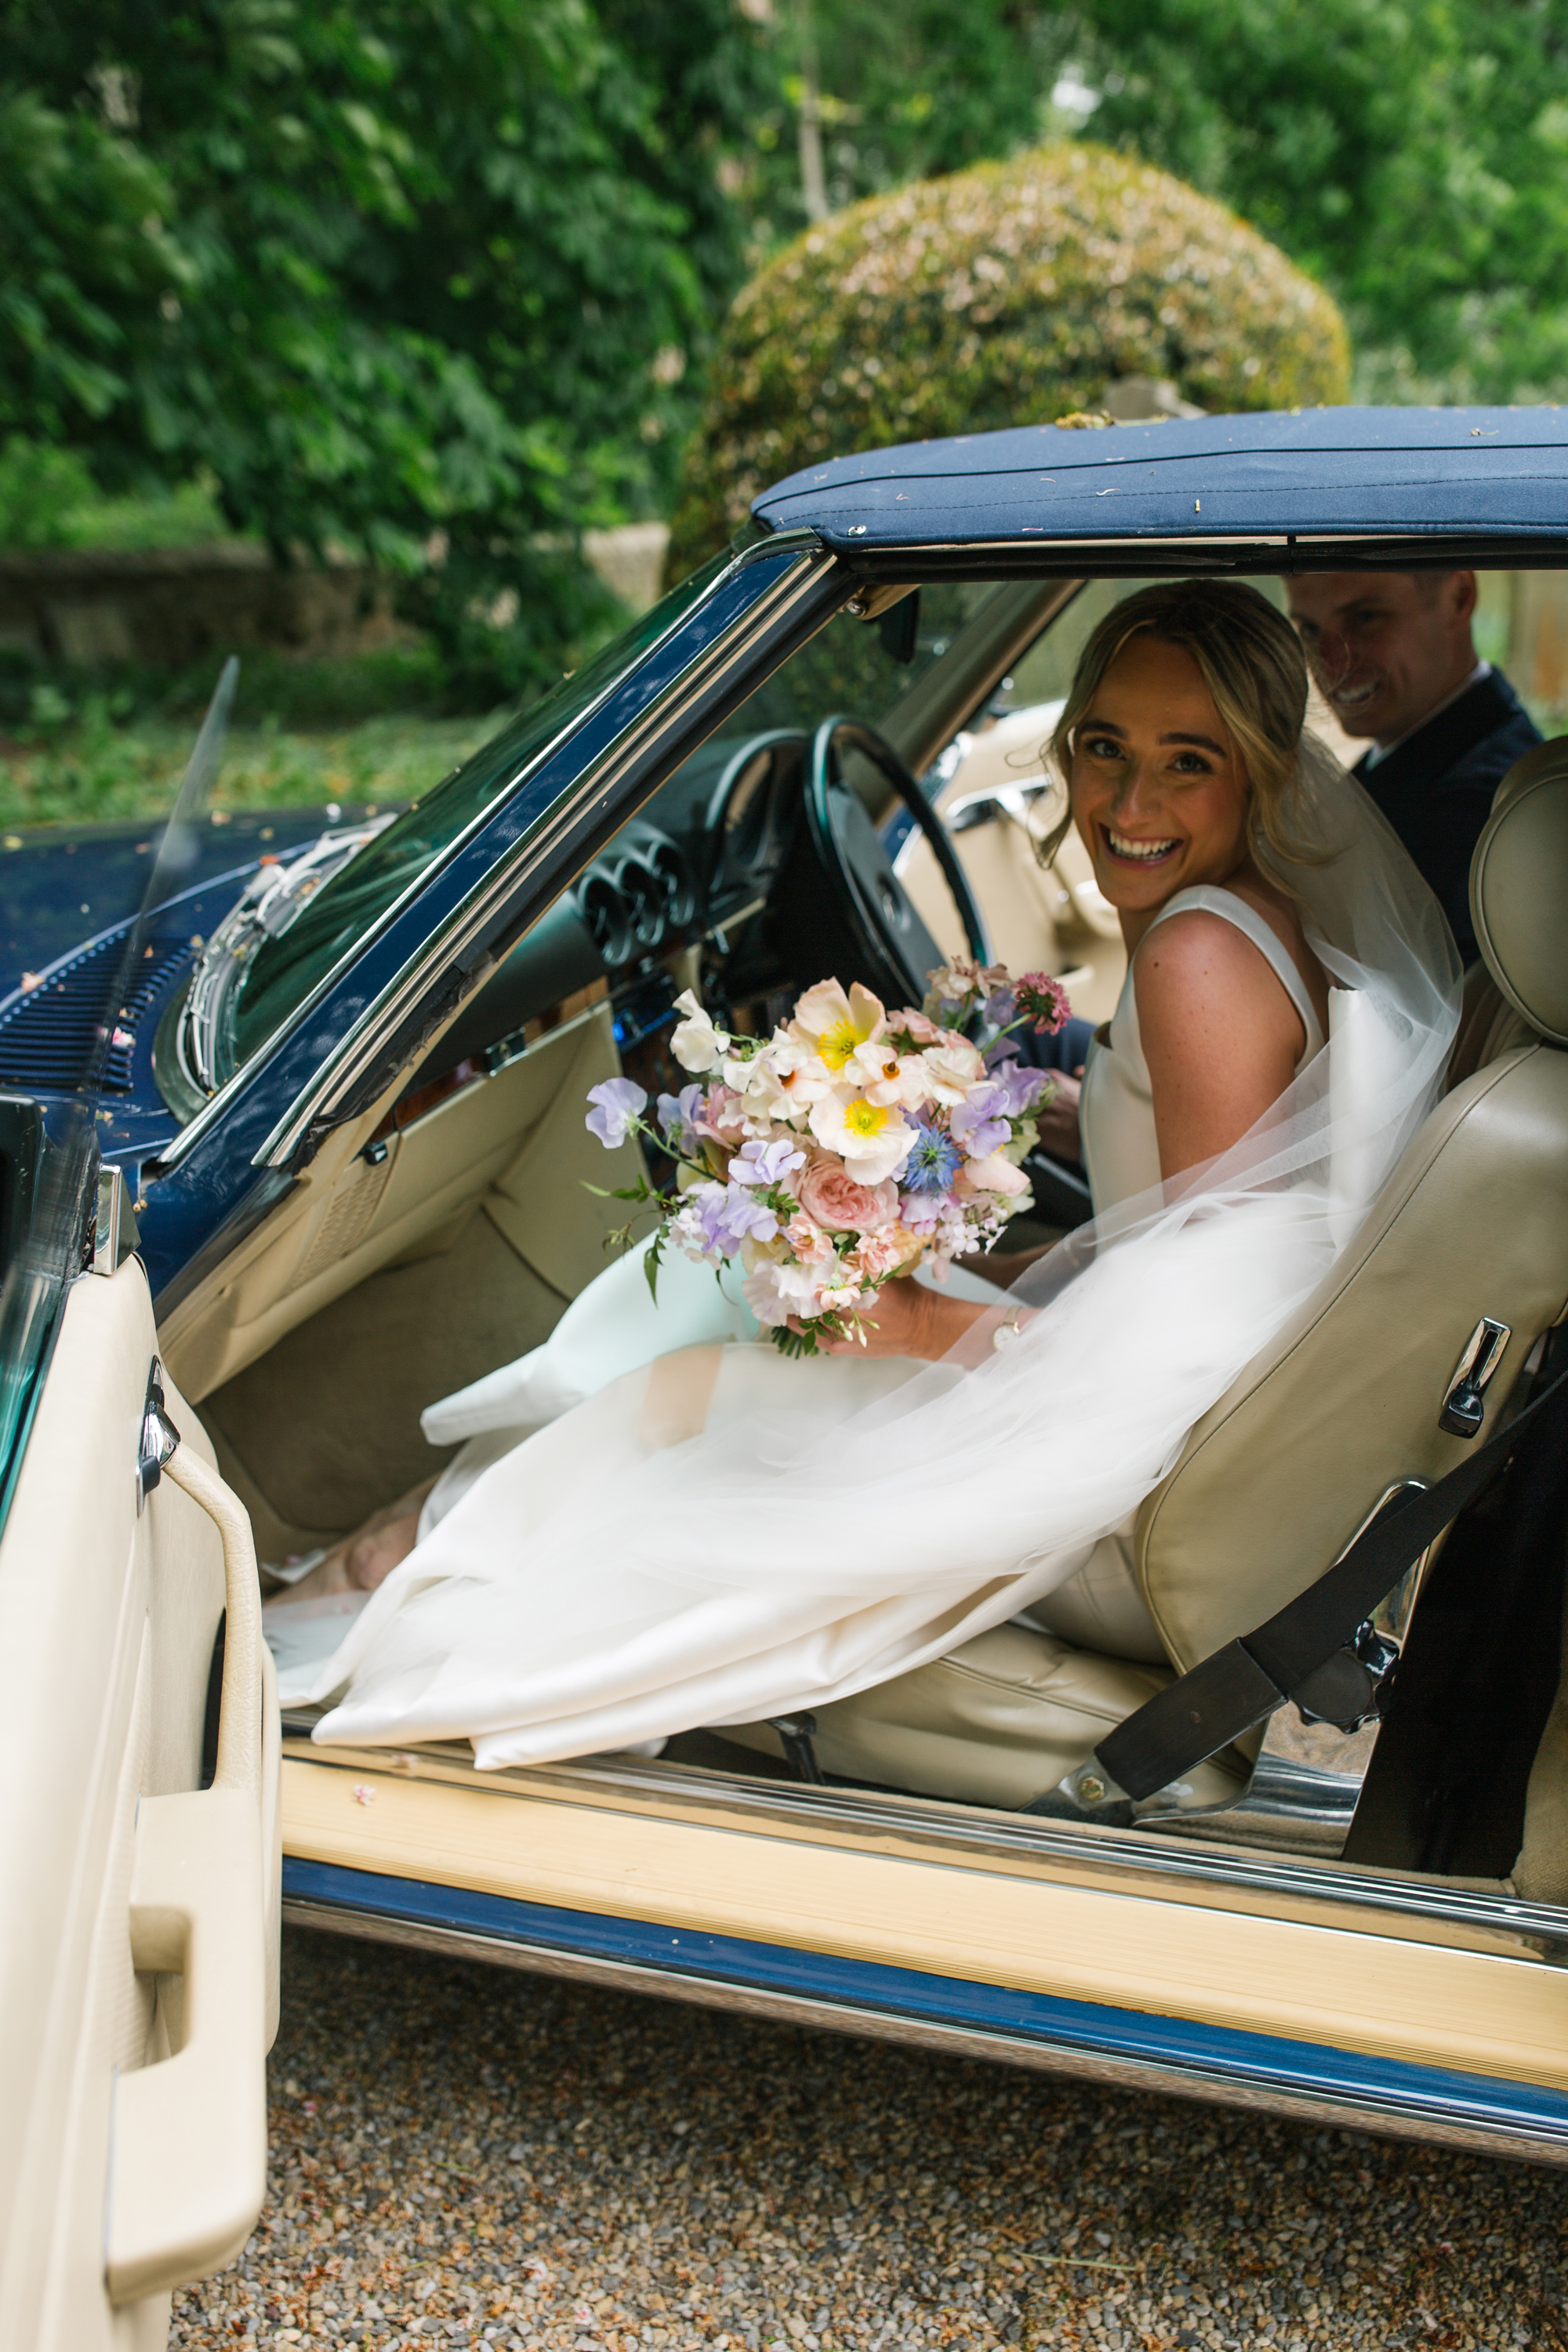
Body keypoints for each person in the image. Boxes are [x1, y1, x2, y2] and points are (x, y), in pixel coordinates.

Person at [270, 582, 1458, 1767]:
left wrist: (914, 1317)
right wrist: (981, 1254)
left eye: (1186, 762)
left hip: (1123, 1498)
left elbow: (1204, 1357)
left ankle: (330, 1619)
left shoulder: (1200, 956)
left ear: (1256, 768)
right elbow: (1179, 1250)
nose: (1129, 802)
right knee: (719, 1310)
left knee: (663, 1402)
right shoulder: (1253, 918)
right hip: (1156, 1451)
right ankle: (363, 1577)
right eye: (1104, 748)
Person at [1284, 570, 1540, 964]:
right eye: (1310, 630)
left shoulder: (1475, 808)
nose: (1332, 664)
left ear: (1458, 597)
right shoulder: (1422, 765)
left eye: (1365, 618)